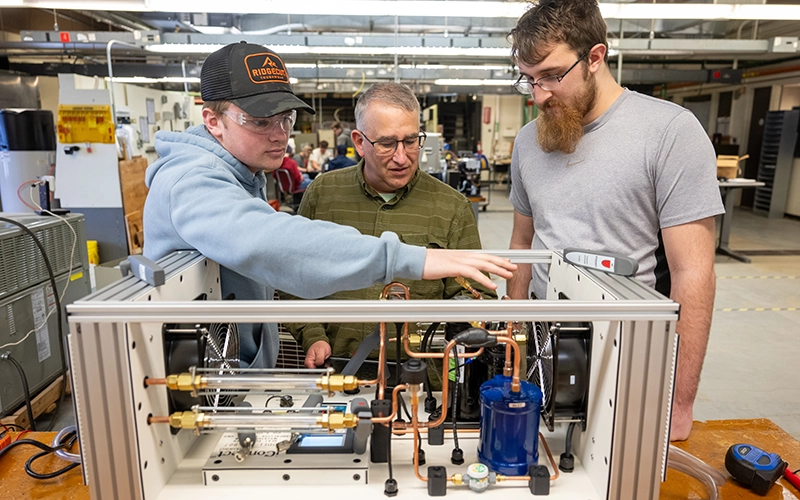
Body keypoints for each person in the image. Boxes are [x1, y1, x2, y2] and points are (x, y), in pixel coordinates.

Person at [142, 42, 516, 370]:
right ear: (213, 121)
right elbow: (275, 246)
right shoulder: (191, 180)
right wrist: (411, 259)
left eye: (285, 119)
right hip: (201, 381)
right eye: (259, 121)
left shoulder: (243, 177)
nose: (279, 134)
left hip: (233, 375)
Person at [506, 0, 724, 441]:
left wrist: (676, 403)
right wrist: (515, 347)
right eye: (528, 79)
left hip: (629, 350)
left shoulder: (670, 132)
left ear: (595, 57)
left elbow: (693, 273)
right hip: (547, 348)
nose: (539, 95)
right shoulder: (530, 141)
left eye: (551, 75)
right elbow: (521, 246)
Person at [281, 82, 496, 373]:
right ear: (359, 142)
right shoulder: (323, 194)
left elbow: (477, 295)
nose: (401, 157)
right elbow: (295, 277)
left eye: (410, 141)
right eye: (386, 143)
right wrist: (313, 335)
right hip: (337, 372)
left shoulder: (452, 207)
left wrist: (468, 317)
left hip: (421, 382)